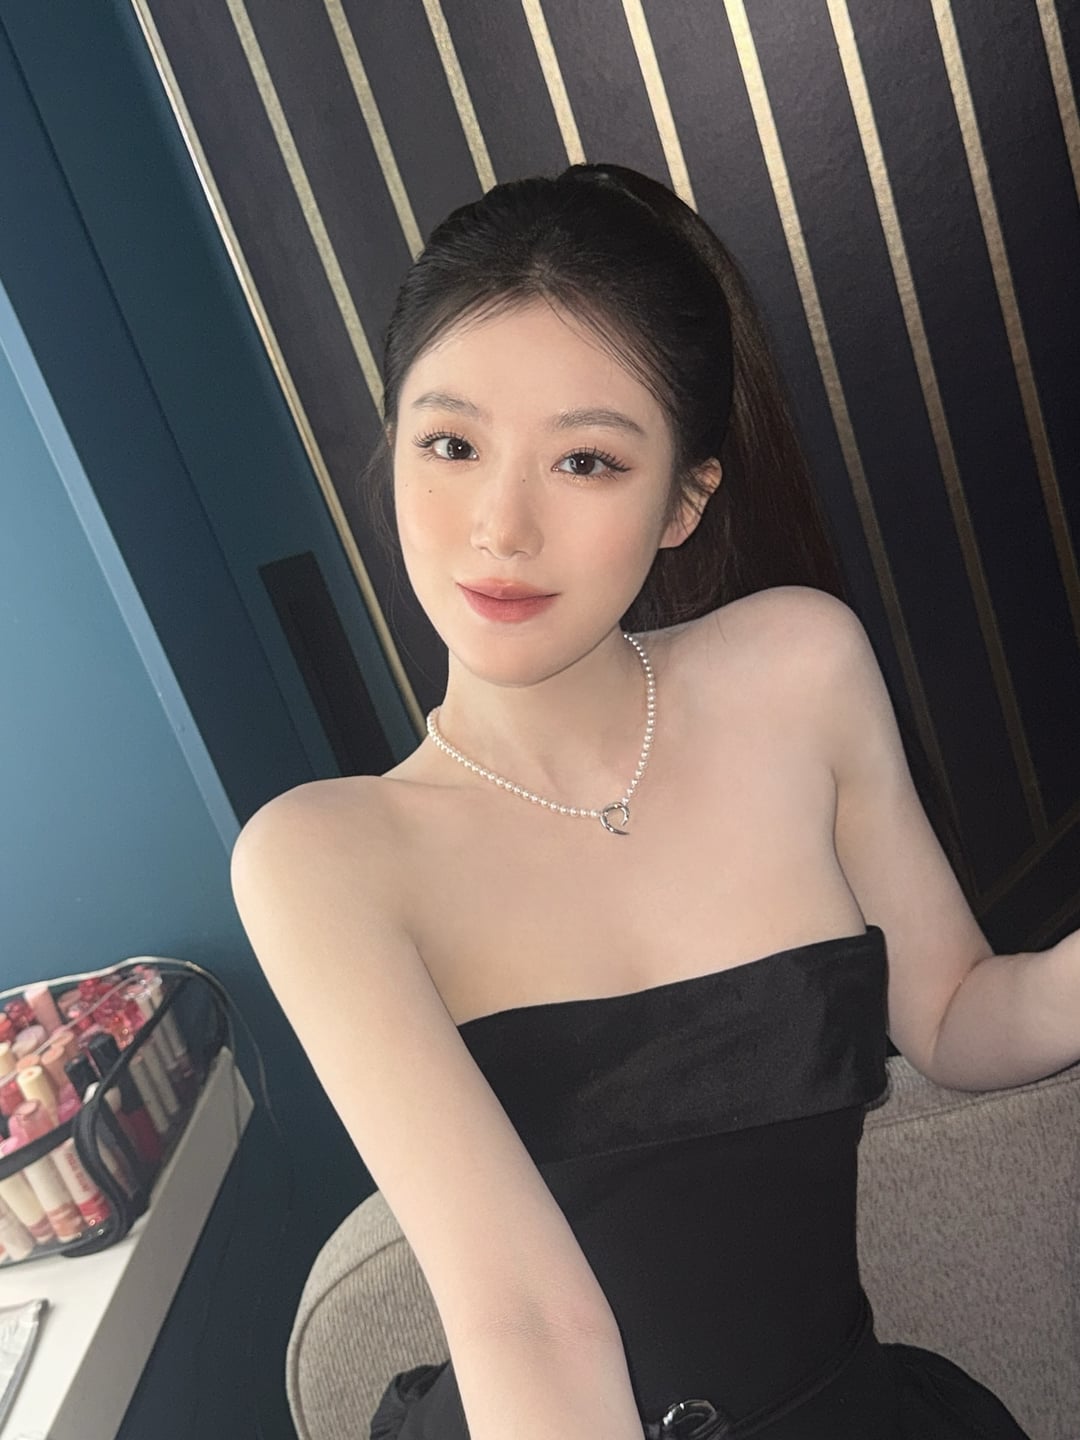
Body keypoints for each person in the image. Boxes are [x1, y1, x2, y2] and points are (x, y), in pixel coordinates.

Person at [229, 163, 1075, 1438]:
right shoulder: (321, 860)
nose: (500, 528)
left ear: (685, 500)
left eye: (585, 460)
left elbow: (956, 1014)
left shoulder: (797, 671)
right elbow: (524, 1320)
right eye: (451, 444)